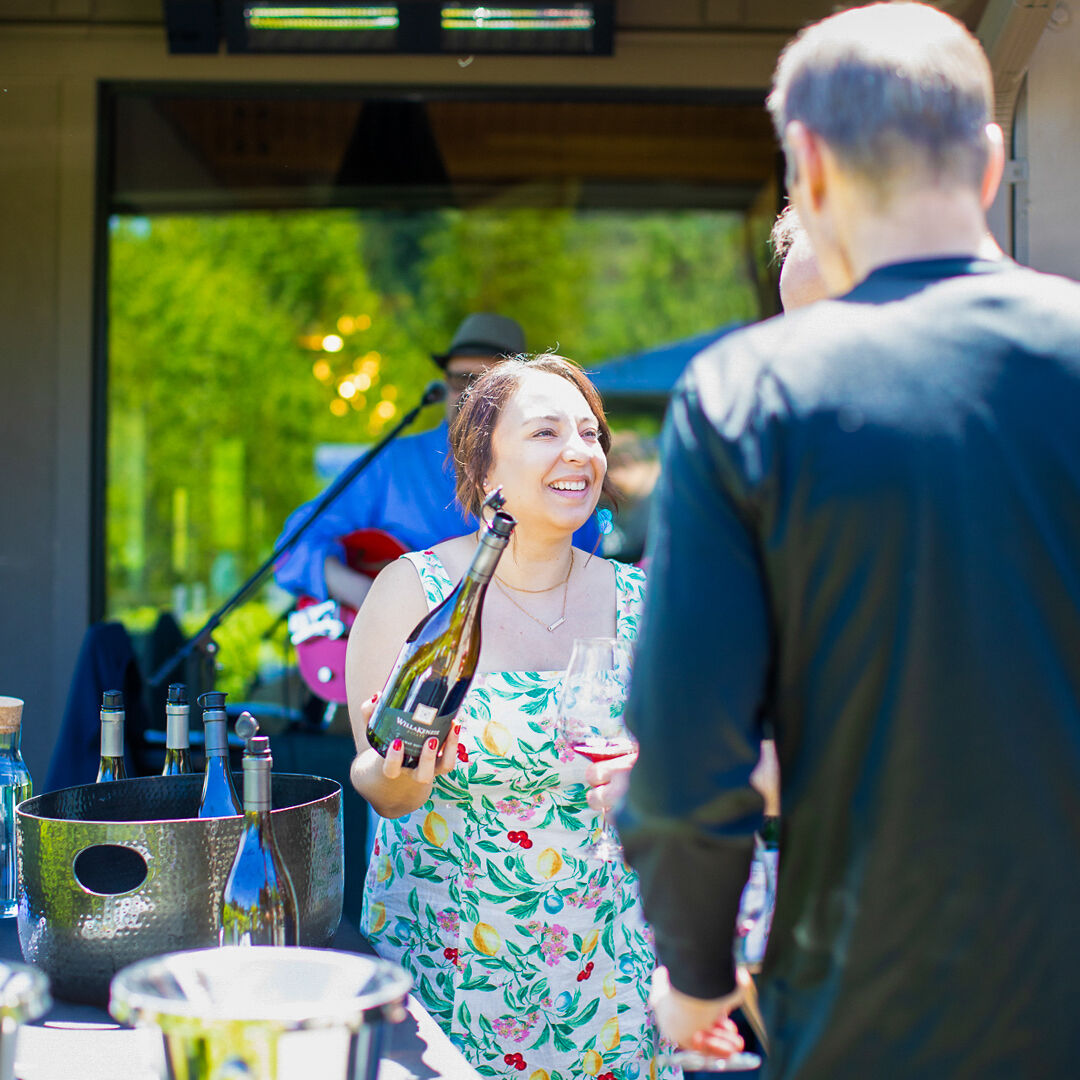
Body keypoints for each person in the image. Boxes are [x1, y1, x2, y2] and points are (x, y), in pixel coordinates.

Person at [618, 3, 1080, 1077]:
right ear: (990, 161)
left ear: (809, 169)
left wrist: (692, 976)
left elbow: (689, 765)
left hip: (870, 1001)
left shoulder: (750, 396)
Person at [345, 355, 677, 1080]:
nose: (578, 452)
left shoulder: (644, 601)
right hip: (453, 972)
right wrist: (400, 770)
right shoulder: (412, 594)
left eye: (590, 434)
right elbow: (381, 788)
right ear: (486, 467)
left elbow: (684, 776)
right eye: (546, 432)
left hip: (610, 977)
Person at [273, 312, 601, 610]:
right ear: (444, 384)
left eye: (487, 384)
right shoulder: (394, 464)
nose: (472, 395)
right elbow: (291, 547)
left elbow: (583, 589)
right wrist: (368, 597)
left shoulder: (561, 475)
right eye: (461, 380)